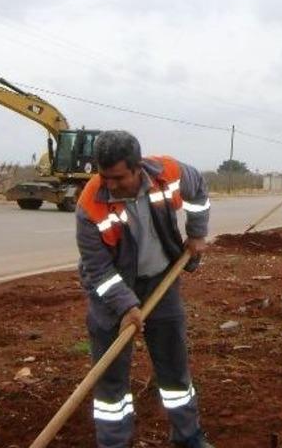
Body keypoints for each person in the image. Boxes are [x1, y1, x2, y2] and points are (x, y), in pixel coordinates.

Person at [75, 130, 213, 448]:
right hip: (110, 293)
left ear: (138, 167)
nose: (110, 185)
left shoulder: (169, 173)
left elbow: (199, 193)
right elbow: (98, 269)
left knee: (174, 368)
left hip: (161, 283)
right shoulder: (90, 205)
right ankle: (114, 443)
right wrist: (125, 305)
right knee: (110, 379)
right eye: (104, 176)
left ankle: (187, 435)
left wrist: (197, 233)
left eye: (118, 177)